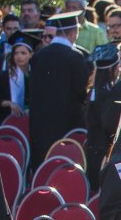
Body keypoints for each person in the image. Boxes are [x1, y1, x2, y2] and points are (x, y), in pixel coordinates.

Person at [27, 11, 90, 168]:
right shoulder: (75, 56)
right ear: (73, 32)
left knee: (42, 166)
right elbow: (81, 92)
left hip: (40, 123)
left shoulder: (39, 55)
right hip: (68, 124)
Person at [0, 31, 35, 127]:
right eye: (16, 53)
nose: (19, 56)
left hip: (32, 123)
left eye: (23, 53)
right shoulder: (5, 76)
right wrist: (9, 103)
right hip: (8, 122)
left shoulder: (36, 75)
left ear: (31, 54)